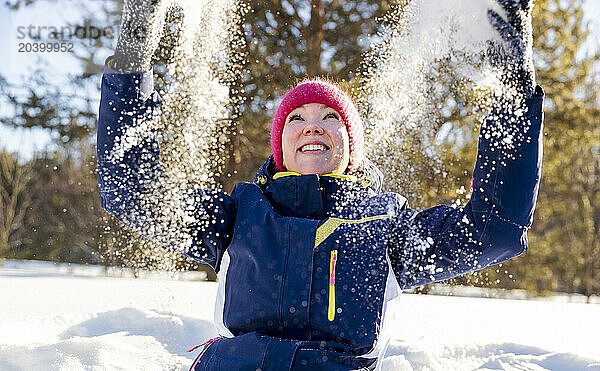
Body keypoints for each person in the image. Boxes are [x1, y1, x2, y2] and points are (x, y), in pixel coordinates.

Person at [97, 0, 544, 369]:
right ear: (280, 147)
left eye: (330, 118)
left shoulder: (384, 228)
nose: (313, 127)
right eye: (296, 119)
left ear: (351, 149)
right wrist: (134, 52)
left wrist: (515, 87)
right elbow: (130, 189)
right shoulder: (237, 216)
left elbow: (494, 230)